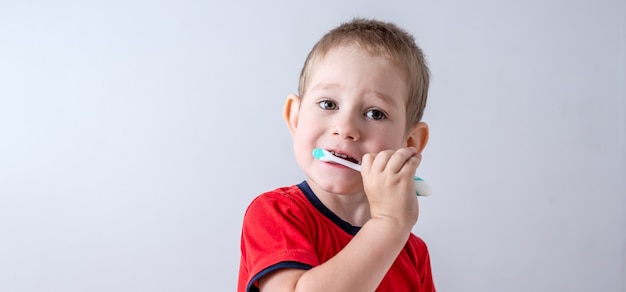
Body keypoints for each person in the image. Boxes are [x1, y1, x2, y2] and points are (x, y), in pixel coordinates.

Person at [238, 18, 435, 292]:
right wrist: (388, 223)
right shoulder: (276, 213)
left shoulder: (412, 253)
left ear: (410, 143)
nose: (345, 129)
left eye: (375, 113)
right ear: (295, 118)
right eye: (328, 104)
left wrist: (393, 228)